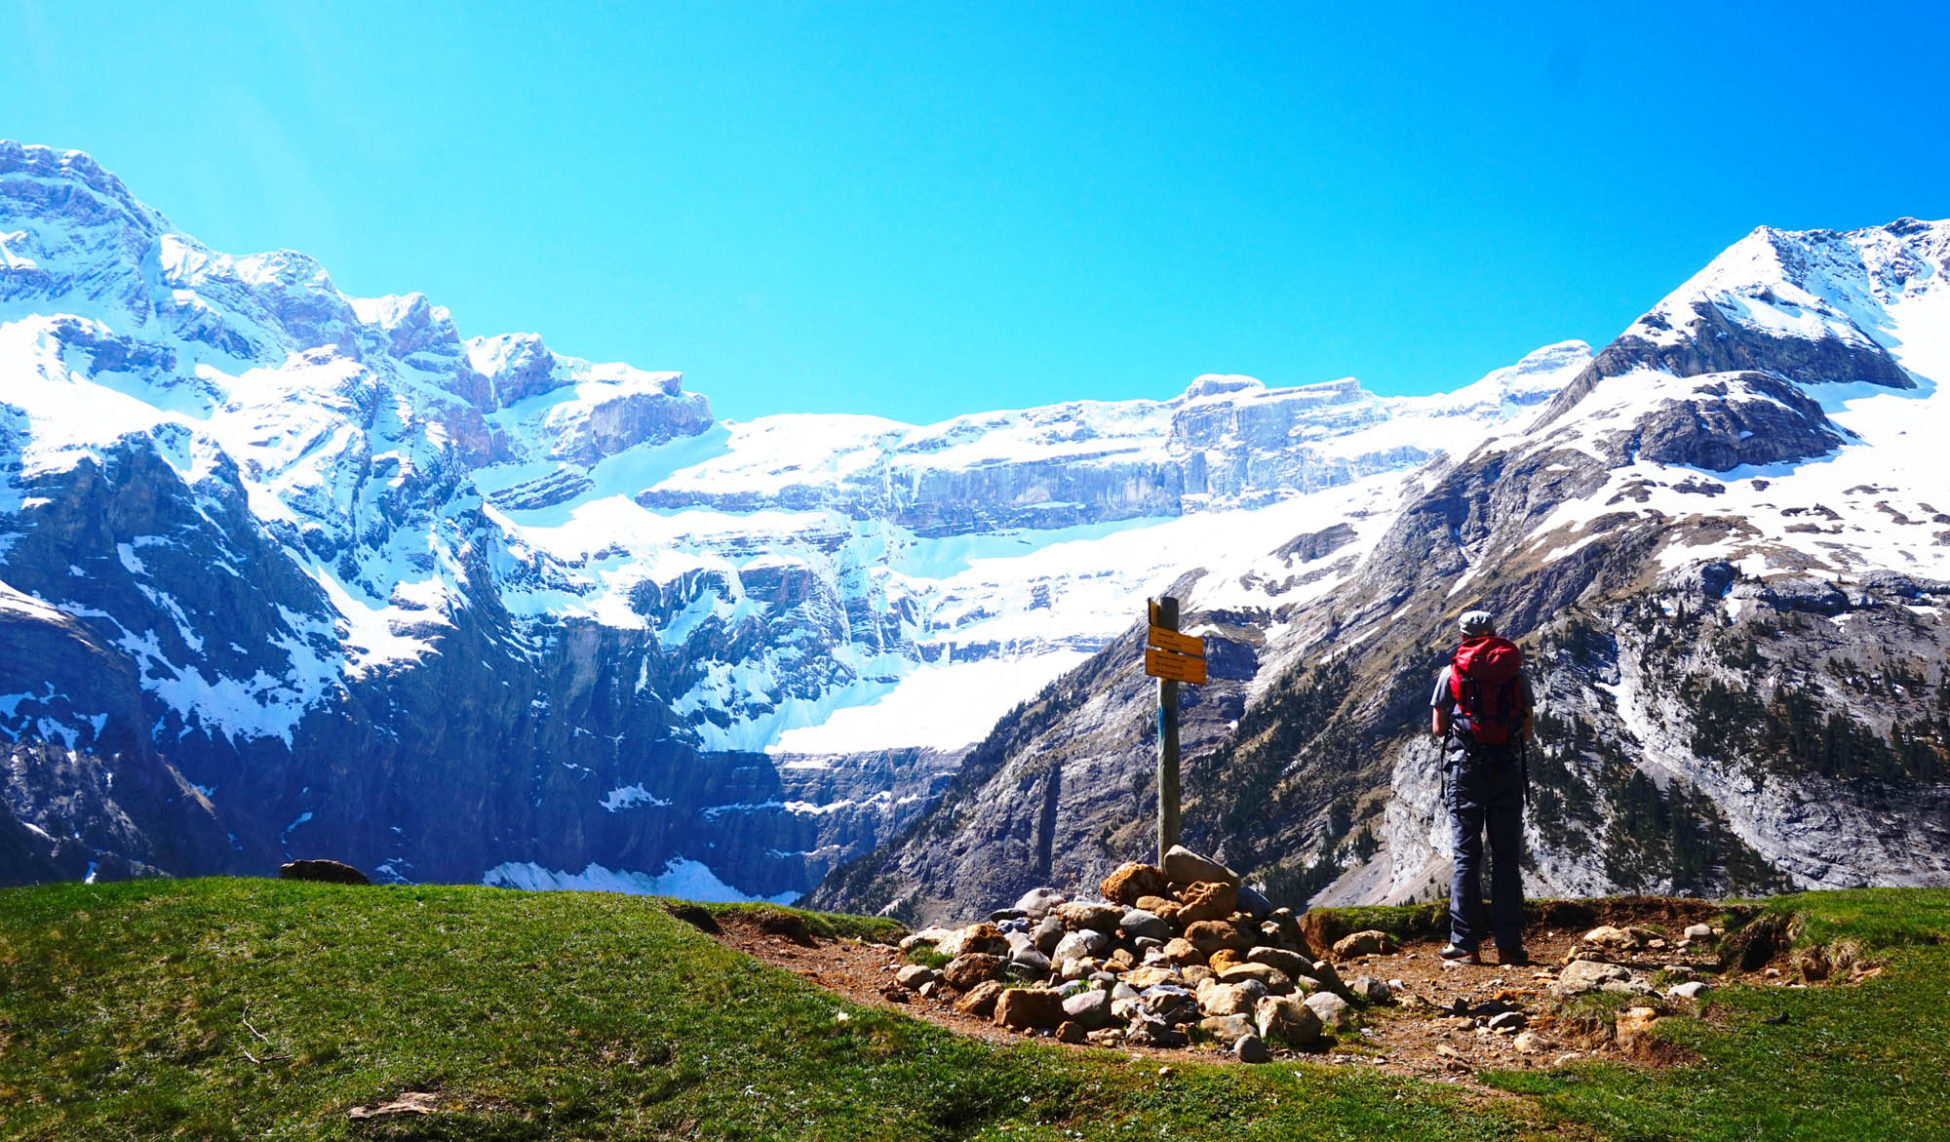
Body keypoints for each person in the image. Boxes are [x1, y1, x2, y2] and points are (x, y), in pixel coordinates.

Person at [1429, 609, 1534, 967]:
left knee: (1466, 859)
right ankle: (1510, 947)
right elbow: (1527, 728)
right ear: (1494, 633)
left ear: (1462, 637)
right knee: (1506, 859)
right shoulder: (1516, 673)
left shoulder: (1451, 672)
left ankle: (1464, 945)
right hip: (1506, 770)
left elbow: (1439, 728)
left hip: (1466, 771)